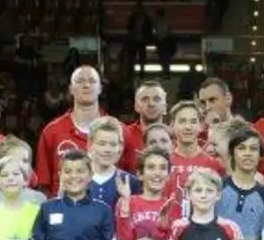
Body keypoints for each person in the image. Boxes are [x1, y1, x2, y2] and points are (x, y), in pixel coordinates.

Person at [35, 65, 106, 194]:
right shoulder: (52, 131)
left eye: (92, 81)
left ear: (100, 88)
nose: (86, 85)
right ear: (71, 89)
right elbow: (43, 184)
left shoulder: (118, 131)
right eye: (80, 81)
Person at [115, 146, 182, 240]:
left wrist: (163, 227)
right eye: (151, 167)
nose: (157, 173)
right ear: (140, 174)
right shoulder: (127, 202)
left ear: (168, 175)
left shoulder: (173, 206)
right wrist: (125, 203)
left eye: (163, 168)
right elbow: (124, 239)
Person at [218, 126, 264, 240]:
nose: (247, 153)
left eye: (253, 148)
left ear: (260, 155)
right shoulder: (217, 188)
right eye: (242, 148)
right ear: (232, 153)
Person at [166, 99, 225, 193]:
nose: (188, 127)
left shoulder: (215, 165)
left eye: (193, 121)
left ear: (201, 126)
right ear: (172, 125)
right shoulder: (164, 163)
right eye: (182, 121)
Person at [84, 117, 140, 214]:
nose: (107, 150)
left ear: (120, 147)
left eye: (113, 144)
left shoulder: (131, 182)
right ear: (90, 145)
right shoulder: (78, 178)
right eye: (102, 144)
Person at [119, 78, 170, 171]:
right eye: (145, 99)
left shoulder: (175, 136)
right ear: (136, 106)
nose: (151, 104)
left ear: (165, 107)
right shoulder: (124, 134)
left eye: (157, 99)